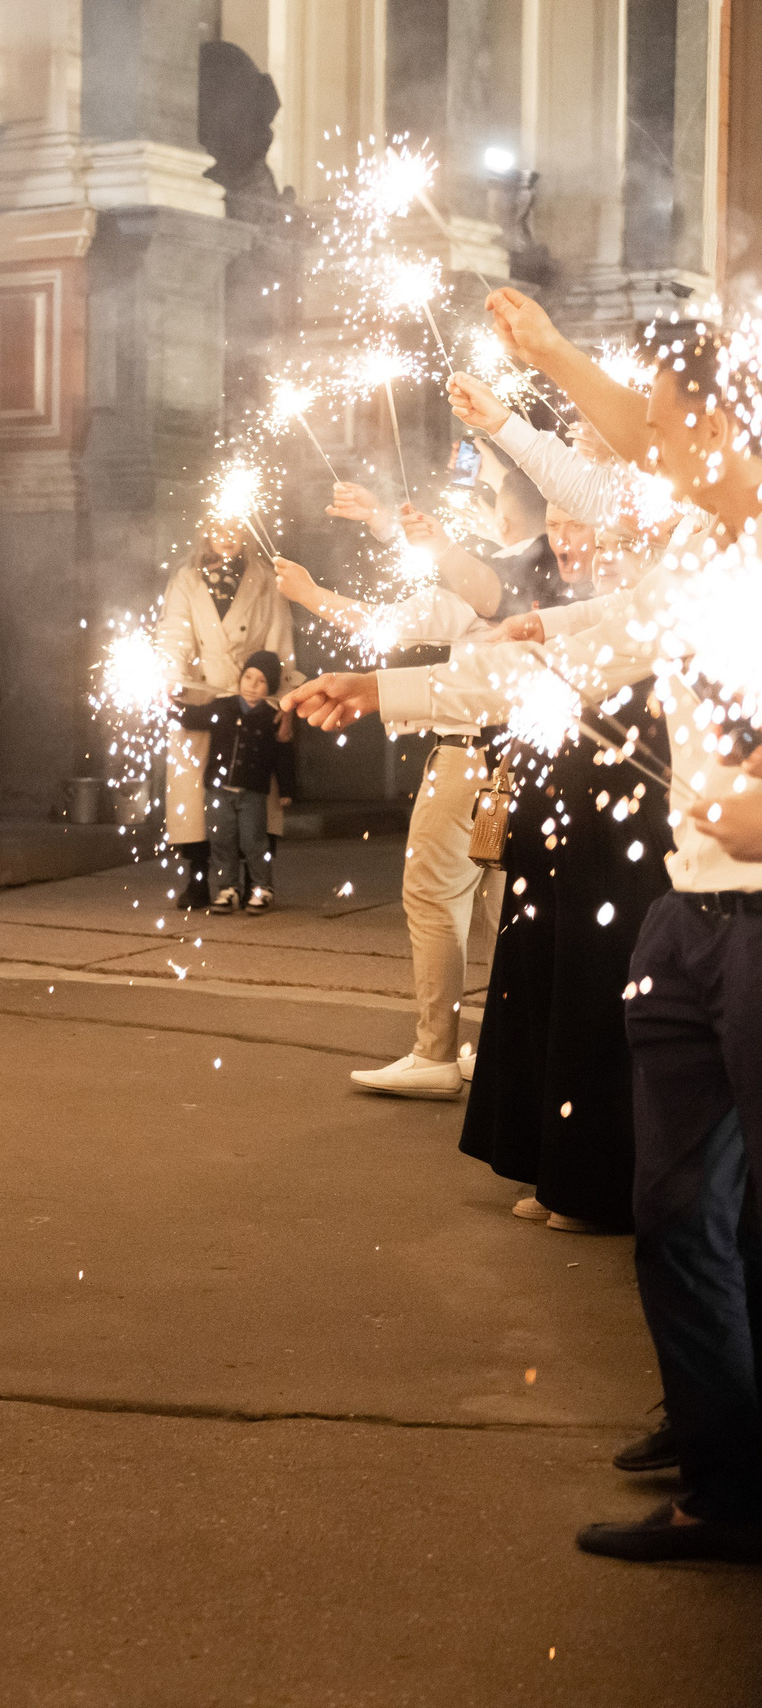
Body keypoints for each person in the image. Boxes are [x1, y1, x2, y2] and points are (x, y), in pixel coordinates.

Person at [292, 301, 762, 1562]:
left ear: (728, 421)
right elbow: (588, 647)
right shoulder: (698, 554)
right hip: (687, 919)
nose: (646, 448)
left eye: (663, 423)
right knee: (676, 1211)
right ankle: (723, 1471)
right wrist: (384, 686)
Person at [275, 548, 499, 1099]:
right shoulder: (543, 583)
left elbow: (387, 623)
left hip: (469, 756)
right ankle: (509, 1044)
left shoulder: (483, 584)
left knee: (434, 897)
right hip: (516, 759)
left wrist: (310, 594)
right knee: (506, 908)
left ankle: (434, 1053)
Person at [155, 527, 294, 906]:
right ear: (205, 531)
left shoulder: (266, 579)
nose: (227, 536)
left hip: (254, 695)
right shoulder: (187, 578)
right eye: (218, 527)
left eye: (235, 527)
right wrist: (171, 675)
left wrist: (283, 701)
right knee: (195, 798)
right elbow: (174, 632)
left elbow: (280, 640)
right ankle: (200, 877)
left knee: (254, 796)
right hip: (202, 695)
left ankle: (254, 880)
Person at [172, 651, 293, 912]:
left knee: (254, 841)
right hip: (218, 791)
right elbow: (194, 717)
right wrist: (170, 706)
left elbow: (282, 755)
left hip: (252, 793)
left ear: (270, 687)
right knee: (221, 841)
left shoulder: (271, 717)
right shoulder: (223, 707)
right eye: (248, 677)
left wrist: (287, 789)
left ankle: (261, 887)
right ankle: (227, 889)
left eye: (261, 681)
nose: (252, 685)